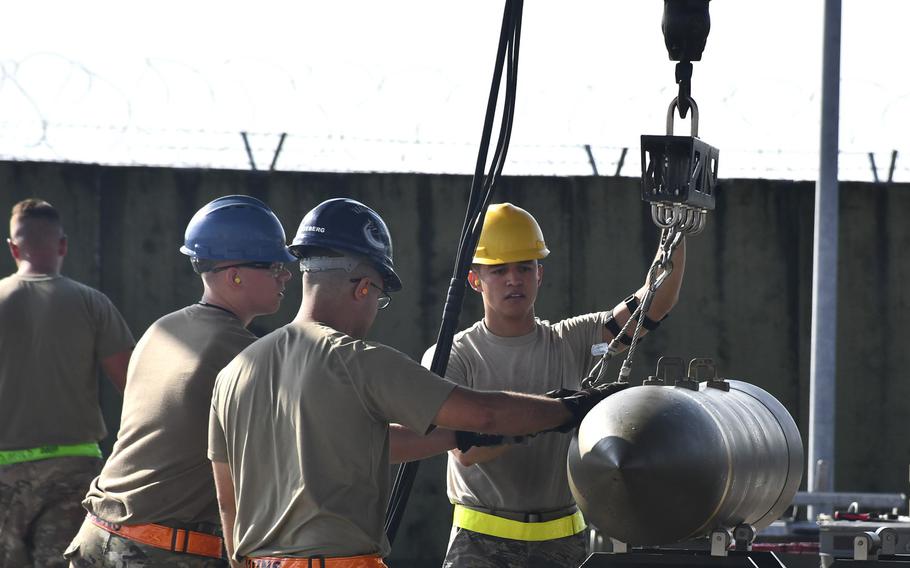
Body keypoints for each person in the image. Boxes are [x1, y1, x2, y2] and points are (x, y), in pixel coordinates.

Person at [208, 198, 618, 568]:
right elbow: (486, 414)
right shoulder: (359, 361)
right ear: (364, 287)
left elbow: (227, 502)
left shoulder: (235, 372)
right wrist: (574, 407)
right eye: (379, 297)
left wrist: (462, 434)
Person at [422, 202, 686, 568]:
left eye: (524, 267)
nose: (514, 279)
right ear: (475, 280)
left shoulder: (572, 341)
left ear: (539, 274)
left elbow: (653, 305)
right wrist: (556, 412)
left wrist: (677, 224)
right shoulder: (453, 356)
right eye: (499, 270)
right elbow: (466, 450)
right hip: (480, 548)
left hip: (563, 545)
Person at [65, 195, 295, 567]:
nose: (286, 274)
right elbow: (312, 440)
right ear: (235, 273)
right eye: (274, 265)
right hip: (155, 551)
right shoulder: (239, 350)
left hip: (97, 537)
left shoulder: (163, 329)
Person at [0, 198, 135, 568]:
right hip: (74, 468)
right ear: (63, 245)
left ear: (12, 248)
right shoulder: (92, 303)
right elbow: (136, 389)